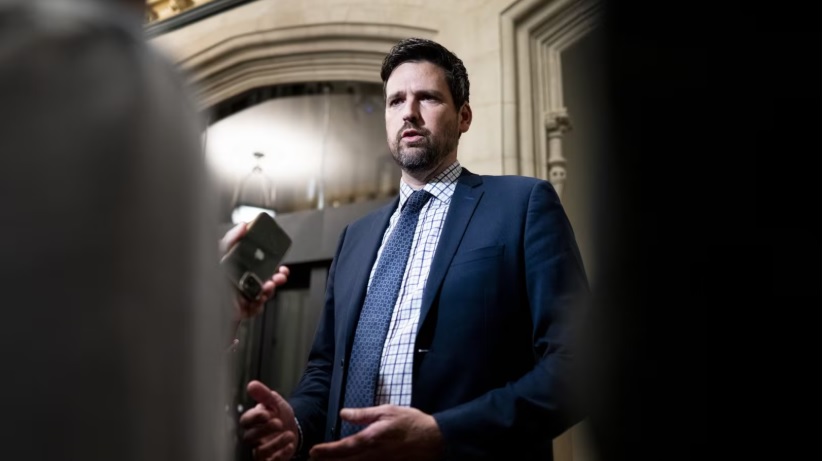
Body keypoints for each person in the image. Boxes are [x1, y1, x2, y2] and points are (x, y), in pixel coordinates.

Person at [231, 37, 589, 461]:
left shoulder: (522, 205)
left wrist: (442, 433)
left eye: (428, 98)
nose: (409, 113)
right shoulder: (355, 238)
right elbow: (325, 369)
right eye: (396, 101)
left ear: (464, 116)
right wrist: (295, 423)